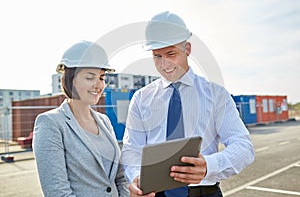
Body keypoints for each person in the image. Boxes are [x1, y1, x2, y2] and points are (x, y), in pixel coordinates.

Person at [121, 11, 255, 197]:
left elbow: (243, 147)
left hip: (203, 193)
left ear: (188, 49)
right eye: (157, 56)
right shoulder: (141, 98)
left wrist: (209, 166)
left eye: (171, 54)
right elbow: (131, 151)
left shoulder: (216, 95)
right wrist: (136, 177)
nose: (164, 64)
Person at [33, 41, 130, 197]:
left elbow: (120, 177)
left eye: (101, 78)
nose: (98, 85)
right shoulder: (50, 123)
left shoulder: (104, 121)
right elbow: (57, 192)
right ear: (71, 79)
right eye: (90, 78)